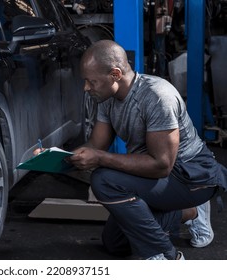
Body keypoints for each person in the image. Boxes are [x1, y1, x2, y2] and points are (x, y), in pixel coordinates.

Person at [64, 40, 227, 259]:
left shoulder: (157, 96)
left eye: (91, 81)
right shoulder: (106, 97)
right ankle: (191, 213)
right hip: (158, 175)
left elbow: (162, 165)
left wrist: (100, 158)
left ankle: (166, 256)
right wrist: (60, 157)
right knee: (115, 243)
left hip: (193, 176)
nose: (86, 87)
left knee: (104, 179)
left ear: (115, 74)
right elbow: (96, 145)